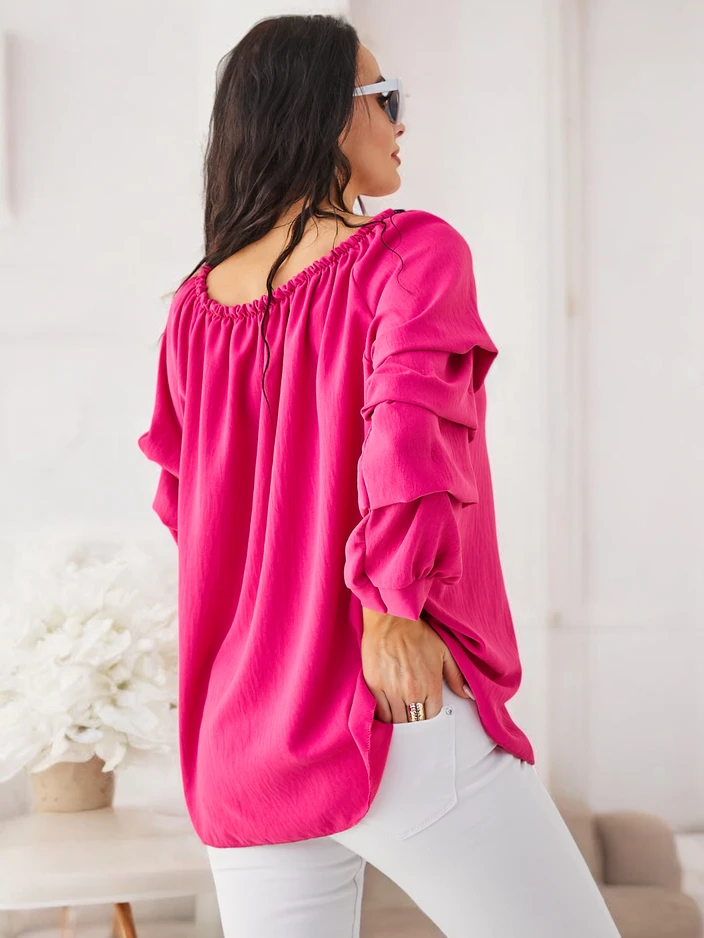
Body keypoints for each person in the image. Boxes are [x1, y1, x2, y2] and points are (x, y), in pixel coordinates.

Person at [137, 13, 622, 938]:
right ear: (326, 113)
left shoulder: (194, 310)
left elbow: (190, 515)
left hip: (243, 736)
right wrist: (393, 611)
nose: (402, 121)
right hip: (382, 704)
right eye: (383, 98)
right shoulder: (410, 253)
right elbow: (407, 442)